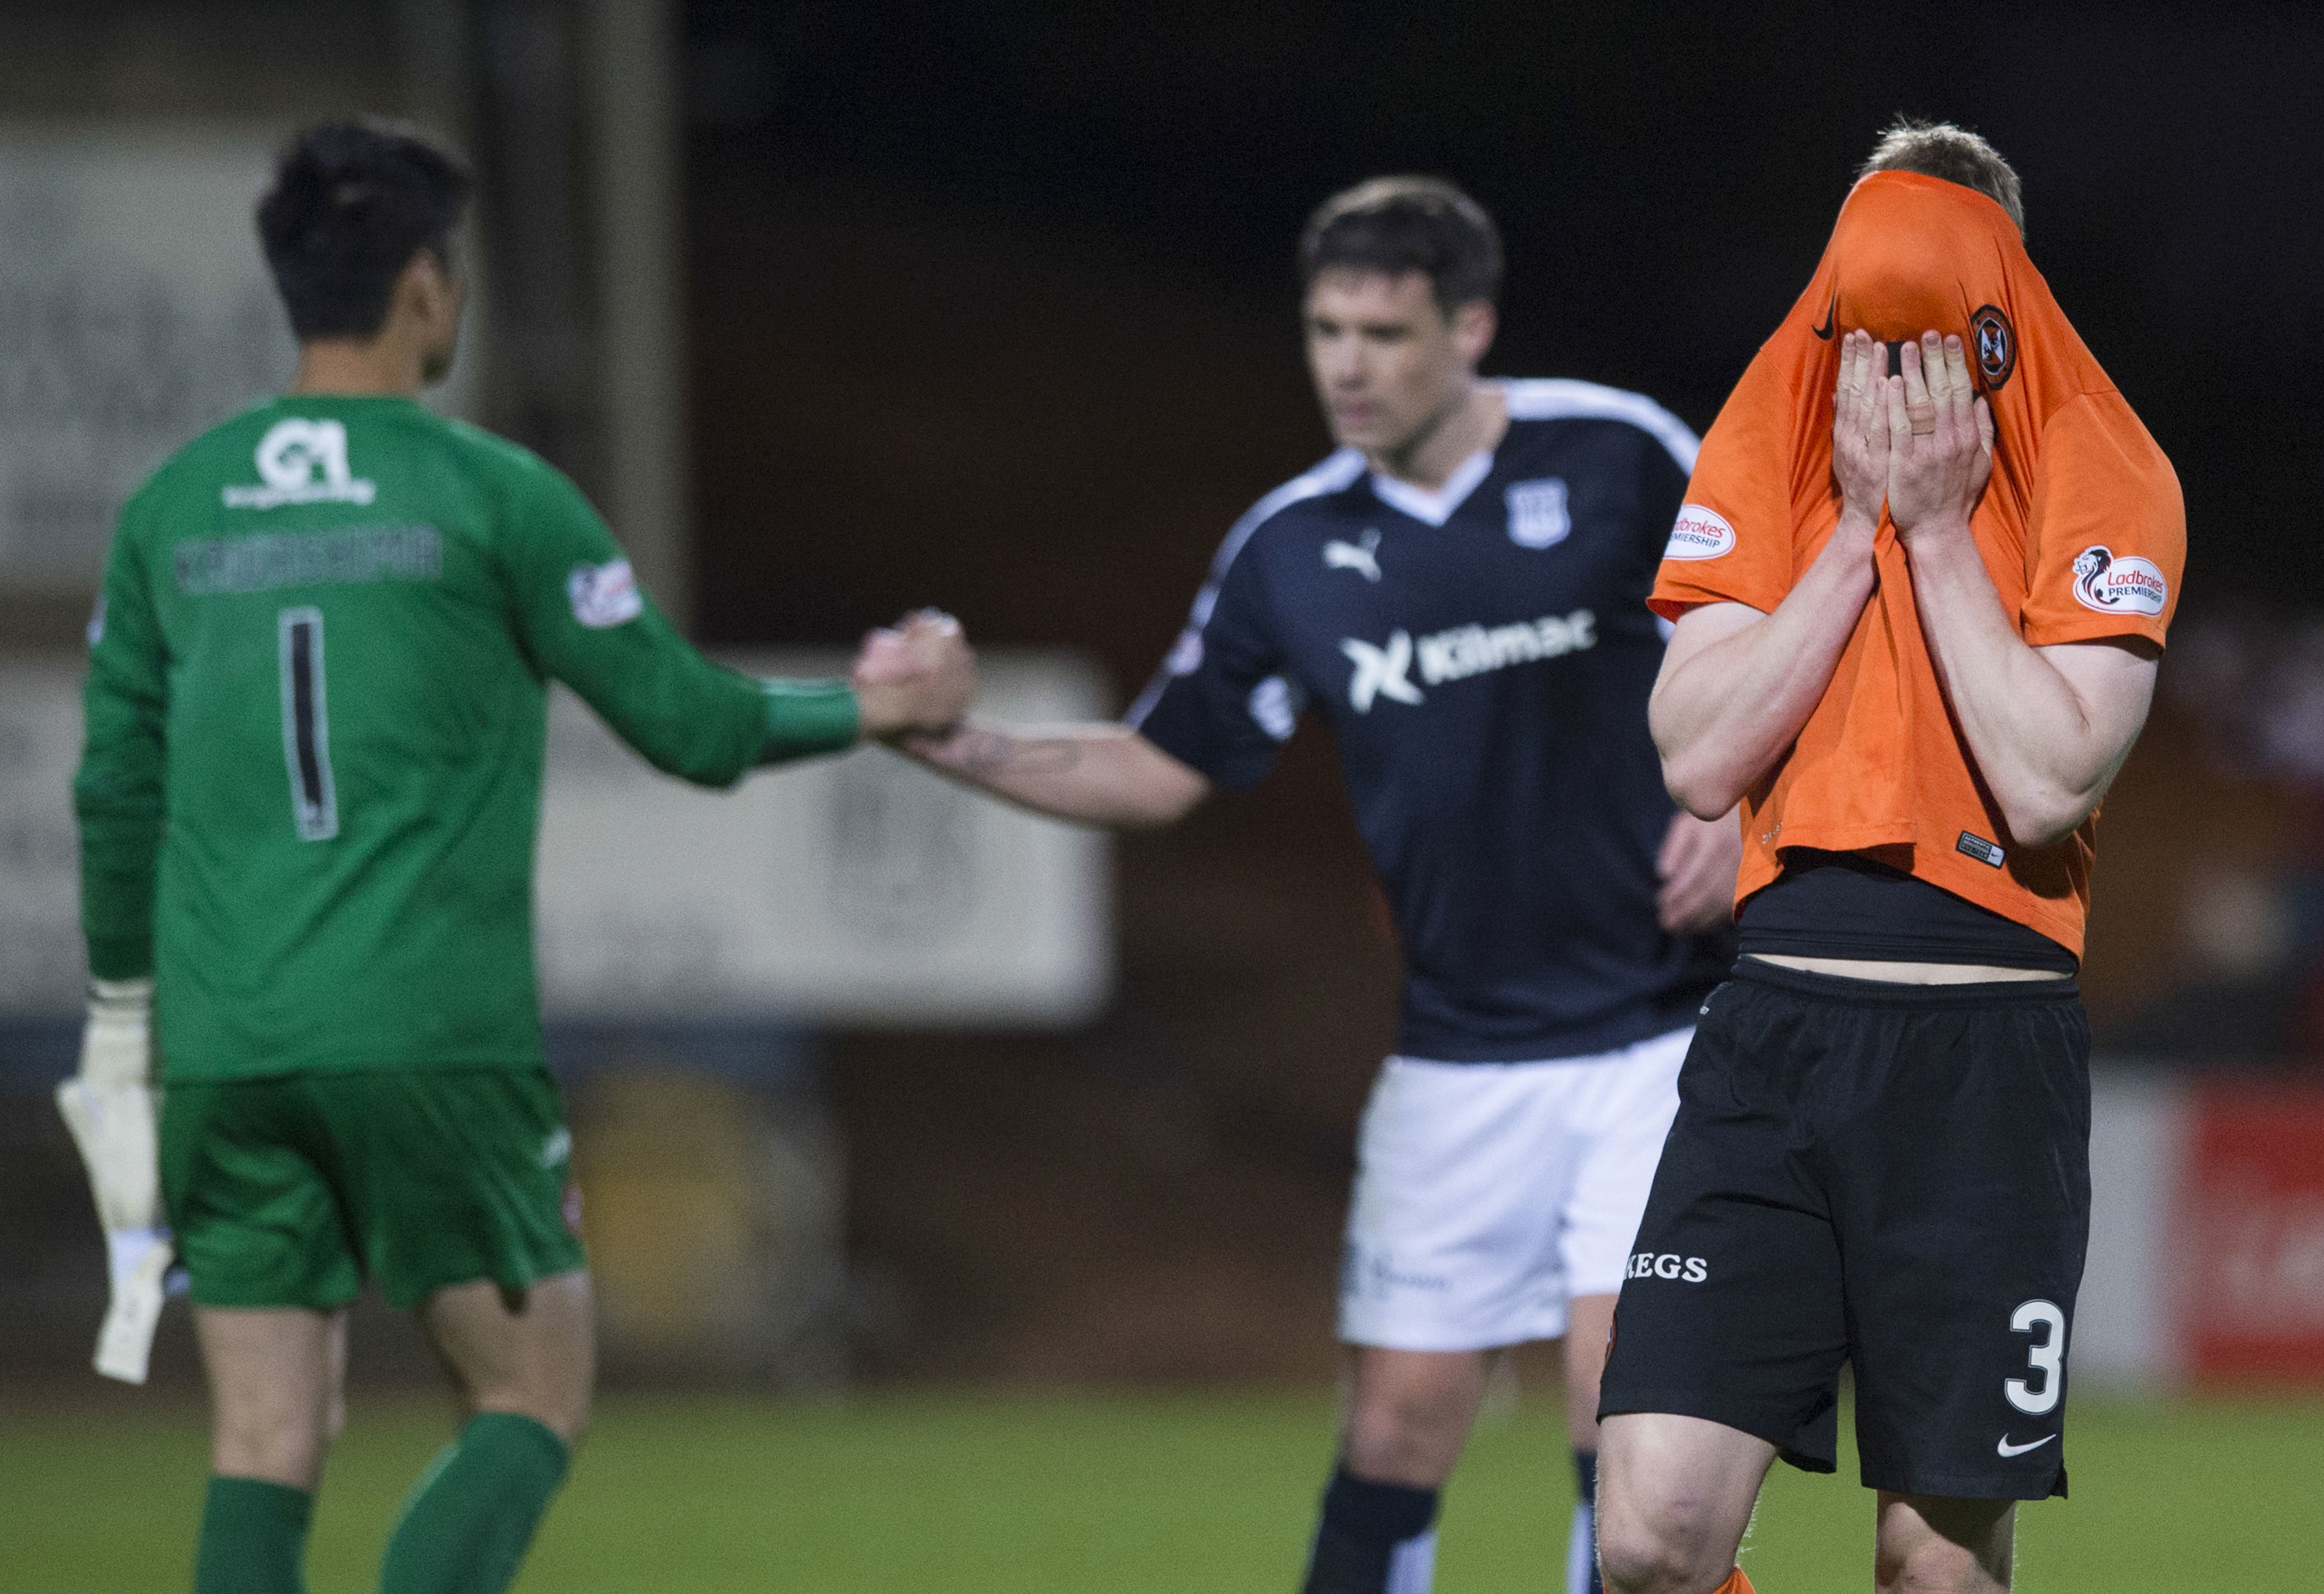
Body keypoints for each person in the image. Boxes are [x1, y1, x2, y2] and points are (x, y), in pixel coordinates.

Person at [64, 120, 970, 1594]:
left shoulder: (170, 510)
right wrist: (881, 707)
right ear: (425, 285)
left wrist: (122, 1017)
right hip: (429, 1035)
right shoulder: (488, 494)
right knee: (532, 1390)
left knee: (264, 1434)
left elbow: (112, 792)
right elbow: (688, 722)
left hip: (226, 1044)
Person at [870, 176, 1739, 1594]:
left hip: (1660, 1036)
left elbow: (1794, 635)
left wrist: (1750, 810)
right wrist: (947, 741)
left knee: (1617, 1419)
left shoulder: (1621, 457)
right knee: (1395, 1424)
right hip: (1458, 1056)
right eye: (1324, 328)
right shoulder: (1291, 549)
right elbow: (1159, 768)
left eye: (1383, 332)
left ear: (1471, 326)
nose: (1345, 364)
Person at [1591, 122, 2186, 1594]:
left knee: (1933, 1566)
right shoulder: (1777, 450)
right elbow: (1697, 752)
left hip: (1986, 1057)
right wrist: (1855, 533)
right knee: (1651, 1538)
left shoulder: (2107, 469)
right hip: (1773, 1035)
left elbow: (2049, 779)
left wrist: (1935, 538)